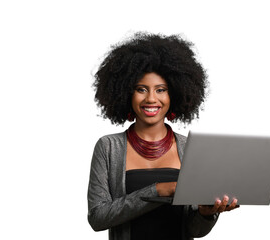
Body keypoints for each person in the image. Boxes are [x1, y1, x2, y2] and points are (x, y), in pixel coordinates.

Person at [87, 32, 239, 240]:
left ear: (174, 94)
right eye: (141, 89)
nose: (151, 99)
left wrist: (206, 213)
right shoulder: (108, 147)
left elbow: (194, 231)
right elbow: (98, 217)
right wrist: (158, 190)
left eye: (161, 90)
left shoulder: (188, 148)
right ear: (126, 94)